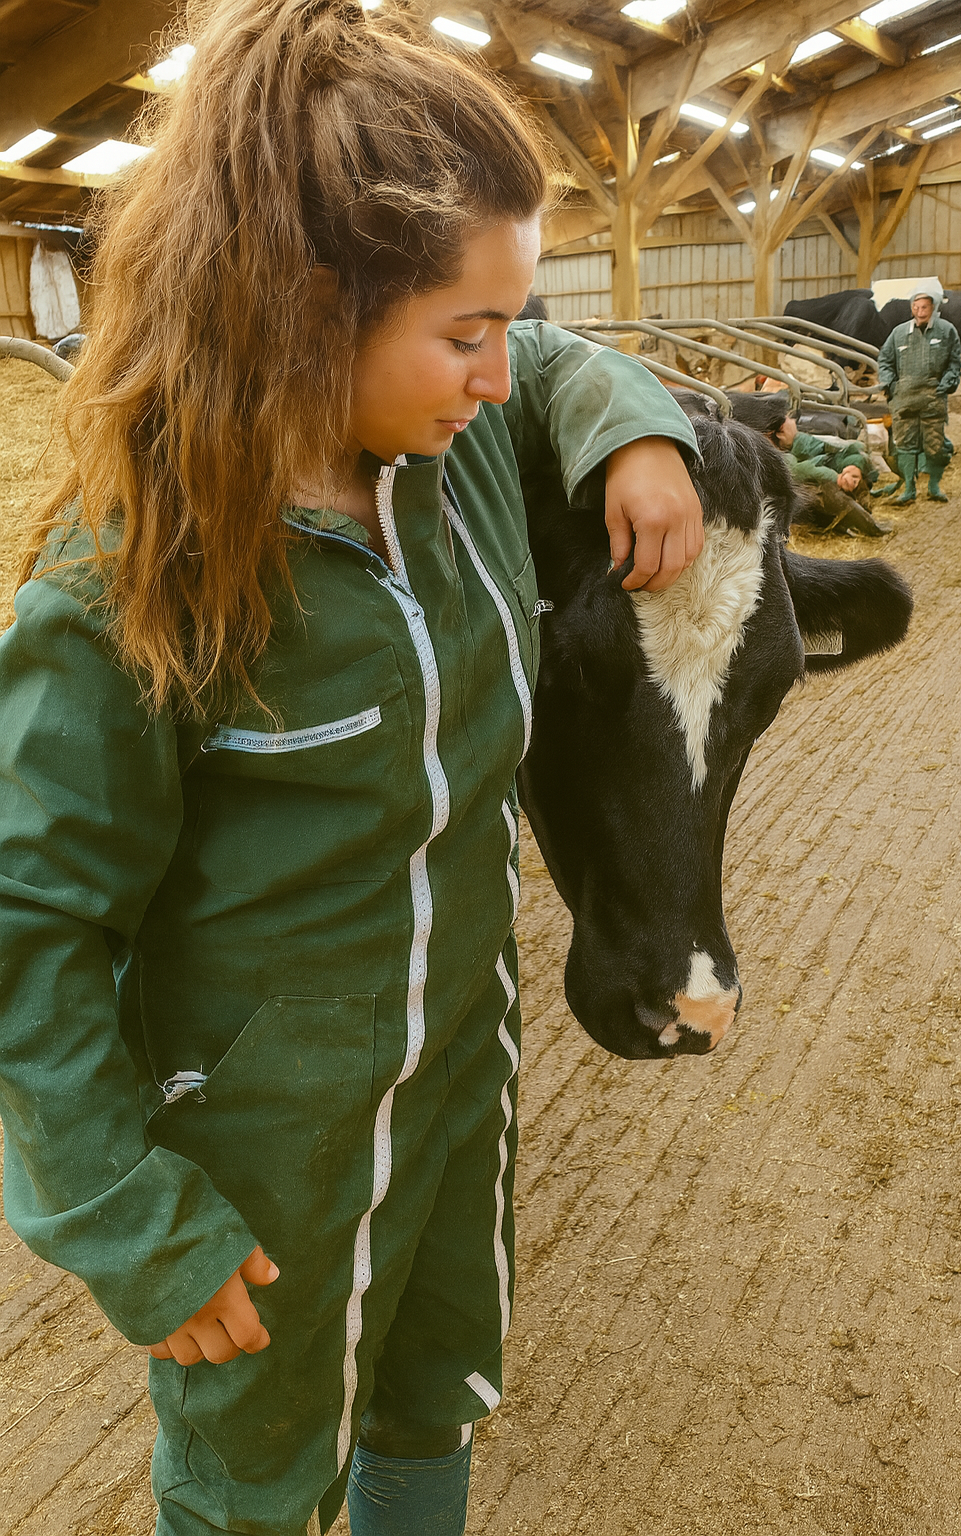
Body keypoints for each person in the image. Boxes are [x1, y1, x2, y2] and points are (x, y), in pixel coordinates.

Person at [0, 4, 705, 1535]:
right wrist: (128, 1220)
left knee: (437, 1384)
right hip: (269, 1150)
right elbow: (25, 928)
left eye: (511, 324)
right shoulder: (135, 584)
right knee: (255, 1481)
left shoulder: (451, 470)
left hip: (460, 1057)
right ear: (301, 306)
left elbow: (563, 354)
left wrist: (637, 429)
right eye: (468, 334)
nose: (501, 376)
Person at [876, 287, 961, 505]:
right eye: (916, 306)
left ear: (933, 307)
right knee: (905, 444)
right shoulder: (899, 333)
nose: (920, 311)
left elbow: (954, 362)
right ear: (911, 307)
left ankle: (934, 486)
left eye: (925, 307)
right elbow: (885, 360)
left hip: (933, 397)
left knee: (935, 444)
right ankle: (909, 490)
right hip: (904, 399)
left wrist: (948, 381)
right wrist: (890, 384)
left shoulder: (946, 331)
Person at [767, 406, 890, 537]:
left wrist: (851, 469)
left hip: (817, 473)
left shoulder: (797, 440)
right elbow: (801, 470)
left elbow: (824, 449)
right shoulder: (778, 454)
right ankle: (870, 526)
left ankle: (862, 507)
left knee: (855, 459)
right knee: (827, 490)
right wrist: (835, 476)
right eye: (788, 419)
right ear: (780, 433)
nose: (792, 420)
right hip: (798, 497)